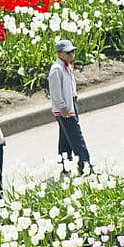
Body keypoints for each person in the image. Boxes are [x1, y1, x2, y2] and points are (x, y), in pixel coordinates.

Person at [46, 41, 90, 175]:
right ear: (60, 54)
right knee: (76, 137)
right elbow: (54, 92)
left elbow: (70, 85)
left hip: (70, 105)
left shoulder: (67, 67)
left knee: (65, 138)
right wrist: (63, 107)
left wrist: (74, 96)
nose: (71, 54)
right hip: (64, 110)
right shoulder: (57, 69)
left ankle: (64, 165)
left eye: (72, 51)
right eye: (68, 52)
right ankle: (85, 165)